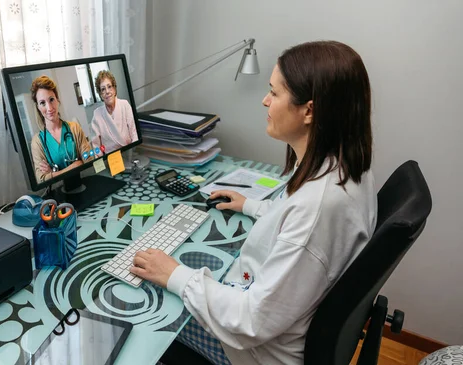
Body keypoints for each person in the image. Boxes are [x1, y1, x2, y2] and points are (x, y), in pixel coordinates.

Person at [130, 41, 377, 365]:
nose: (265, 101)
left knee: (142, 311)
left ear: (309, 110)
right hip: (280, 321)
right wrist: (252, 206)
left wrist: (174, 273)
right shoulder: (347, 166)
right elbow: (295, 226)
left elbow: (250, 322)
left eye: (274, 93)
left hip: (255, 352)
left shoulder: (318, 208)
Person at [29, 75, 93, 183]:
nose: (49, 108)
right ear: (38, 107)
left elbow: (89, 160)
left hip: (84, 184)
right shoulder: (37, 142)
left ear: (57, 100)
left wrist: (53, 174)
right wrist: (76, 164)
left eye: (51, 100)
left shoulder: (74, 128)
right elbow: (41, 180)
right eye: (42, 103)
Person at [90, 70, 138, 154]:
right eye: (103, 89)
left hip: (130, 153)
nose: (107, 91)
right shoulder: (97, 115)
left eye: (109, 87)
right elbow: (96, 147)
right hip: (112, 160)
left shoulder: (125, 105)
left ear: (114, 89)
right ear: (100, 94)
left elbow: (134, 133)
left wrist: (133, 151)